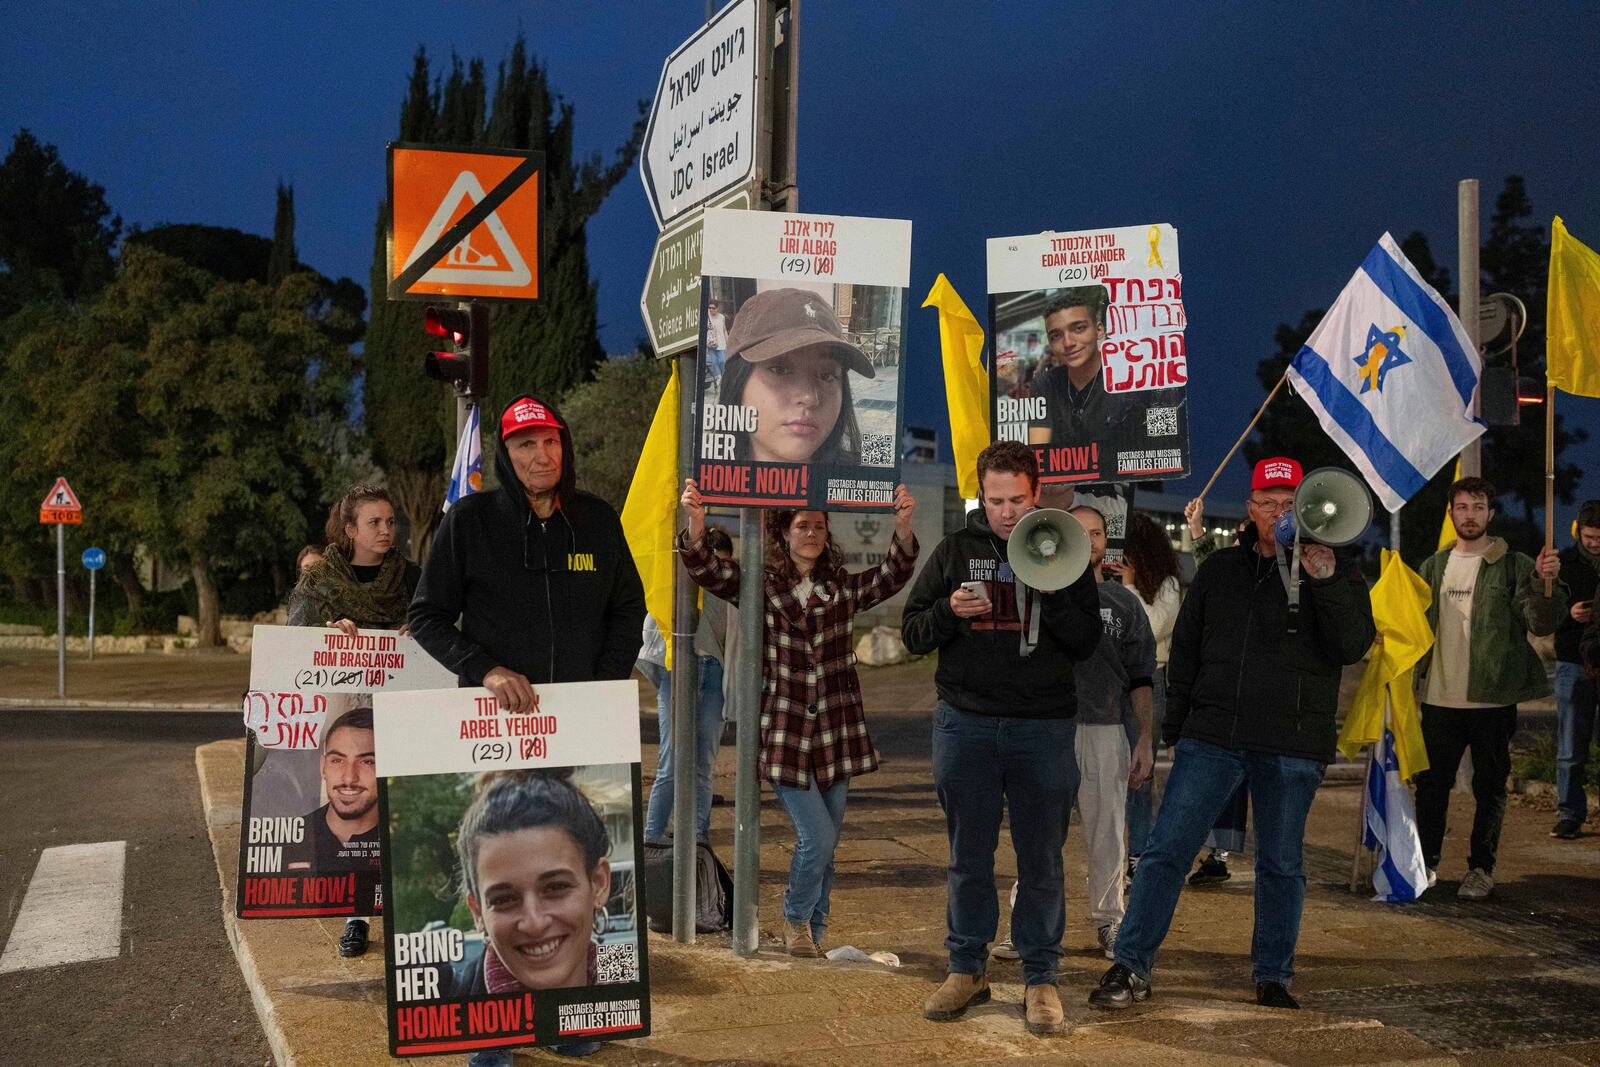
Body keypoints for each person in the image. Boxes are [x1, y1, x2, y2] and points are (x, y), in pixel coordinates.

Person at [1091, 457, 1375, 1013]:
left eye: (1290, 504)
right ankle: (1130, 966)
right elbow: (1189, 650)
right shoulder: (1222, 570)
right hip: (1213, 736)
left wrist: (1327, 582)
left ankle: (1272, 975)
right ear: (1250, 510)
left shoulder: (1335, 569)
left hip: (1292, 744)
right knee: (1167, 851)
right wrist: (1176, 728)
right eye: (1268, 504)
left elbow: (1353, 645)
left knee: (1281, 864)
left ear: (1309, 508)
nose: (1279, 514)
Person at [409, 394, 645, 1063]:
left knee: (558, 879)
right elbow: (427, 616)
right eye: (524, 447)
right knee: (512, 876)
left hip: (576, 734)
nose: (541, 457)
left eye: (550, 444)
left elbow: (629, 607)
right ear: (505, 458)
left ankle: (574, 1021)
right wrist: (483, 669)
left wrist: (599, 684)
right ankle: (496, 1033)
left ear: (563, 448)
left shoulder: (594, 520)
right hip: (493, 733)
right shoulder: (469, 523)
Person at [902, 441, 1101, 1037]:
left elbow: (1086, 642)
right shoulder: (957, 550)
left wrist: (1052, 588)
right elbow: (913, 632)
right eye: (995, 500)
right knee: (969, 855)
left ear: (1036, 495)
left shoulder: (1063, 550)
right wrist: (949, 613)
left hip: (1043, 727)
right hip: (965, 723)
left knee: (1042, 859)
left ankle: (1041, 978)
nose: (1007, 512)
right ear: (980, 496)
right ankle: (967, 968)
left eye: (1017, 500)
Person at [679, 478, 917, 958]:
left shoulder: (841, 588)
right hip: (785, 729)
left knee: (829, 842)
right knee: (818, 837)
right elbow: (706, 570)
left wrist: (903, 527)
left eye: (819, 526)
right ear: (784, 534)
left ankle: (815, 931)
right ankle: (793, 920)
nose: (811, 533)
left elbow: (890, 576)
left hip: (839, 731)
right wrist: (697, 524)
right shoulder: (759, 585)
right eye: (802, 525)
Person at [1414, 477, 1564, 899]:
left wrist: (1543, 582)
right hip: (1439, 699)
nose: (1470, 515)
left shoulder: (1512, 564)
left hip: (1491, 699)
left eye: (1478, 507)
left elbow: (1542, 623)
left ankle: (1481, 868)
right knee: (1430, 787)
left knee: (1490, 787)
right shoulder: (1434, 566)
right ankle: (1425, 864)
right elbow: (1412, 624)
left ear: (1491, 514)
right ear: (1451, 513)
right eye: (1462, 507)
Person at [287, 483, 420, 956]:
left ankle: (410, 912)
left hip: (403, 713)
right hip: (345, 714)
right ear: (349, 530)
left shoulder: (413, 579)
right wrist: (325, 633)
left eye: (391, 522)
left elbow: (442, 629)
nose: (386, 531)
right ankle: (356, 916)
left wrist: (419, 629)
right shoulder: (320, 583)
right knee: (355, 814)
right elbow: (293, 645)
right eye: (374, 523)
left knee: (402, 808)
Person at [449, 770, 620, 996]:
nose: (534, 923)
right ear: (477, 912)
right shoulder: (447, 1005)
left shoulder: (622, 970)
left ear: (599, 884)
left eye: (556, 888)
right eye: (504, 899)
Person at [640, 528, 734, 843]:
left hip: (713, 674)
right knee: (673, 757)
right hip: (678, 672)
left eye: (718, 567)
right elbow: (653, 639)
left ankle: (698, 838)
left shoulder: (732, 587)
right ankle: (653, 836)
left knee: (704, 762)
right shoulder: (677, 587)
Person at [710, 288, 874, 465]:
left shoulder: (866, 474)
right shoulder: (703, 482)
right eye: (780, 370)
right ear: (737, 382)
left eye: (827, 375)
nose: (809, 397)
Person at [1179, 497, 1249, 885]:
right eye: (1239, 538)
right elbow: (1211, 567)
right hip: (1213, 696)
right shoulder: (1224, 576)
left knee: (1236, 784)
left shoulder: (1281, 577)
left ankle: (1218, 854)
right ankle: (1202, 851)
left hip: (1252, 703)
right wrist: (1196, 528)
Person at [1109, 512, 1183, 873]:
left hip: (1149, 679)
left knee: (1140, 772)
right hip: (1109, 681)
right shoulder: (1108, 583)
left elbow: (1150, 628)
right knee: (1105, 770)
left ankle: (1138, 852)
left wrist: (1130, 586)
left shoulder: (1167, 585)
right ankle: (1111, 851)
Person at [1552, 501, 1600, 839]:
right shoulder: (1563, 564)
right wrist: (1569, 614)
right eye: (1590, 537)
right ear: (1578, 532)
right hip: (1572, 660)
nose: (1596, 543)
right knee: (1571, 746)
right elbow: (1543, 610)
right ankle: (1570, 814)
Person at [285, 707, 379, 876]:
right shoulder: (288, 837)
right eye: (337, 760)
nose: (349, 779)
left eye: (367, 762)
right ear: (323, 767)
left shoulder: (405, 844)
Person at [705, 299, 729, 380]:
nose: (711, 309)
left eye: (713, 308)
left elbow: (724, 330)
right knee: (714, 362)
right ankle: (719, 377)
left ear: (717, 308)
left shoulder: (721, 317)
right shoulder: (706, 317)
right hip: (711, 343)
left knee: (722, 361)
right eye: (710, 308)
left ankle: (724, 375)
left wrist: (727, 341)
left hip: (721, 343)